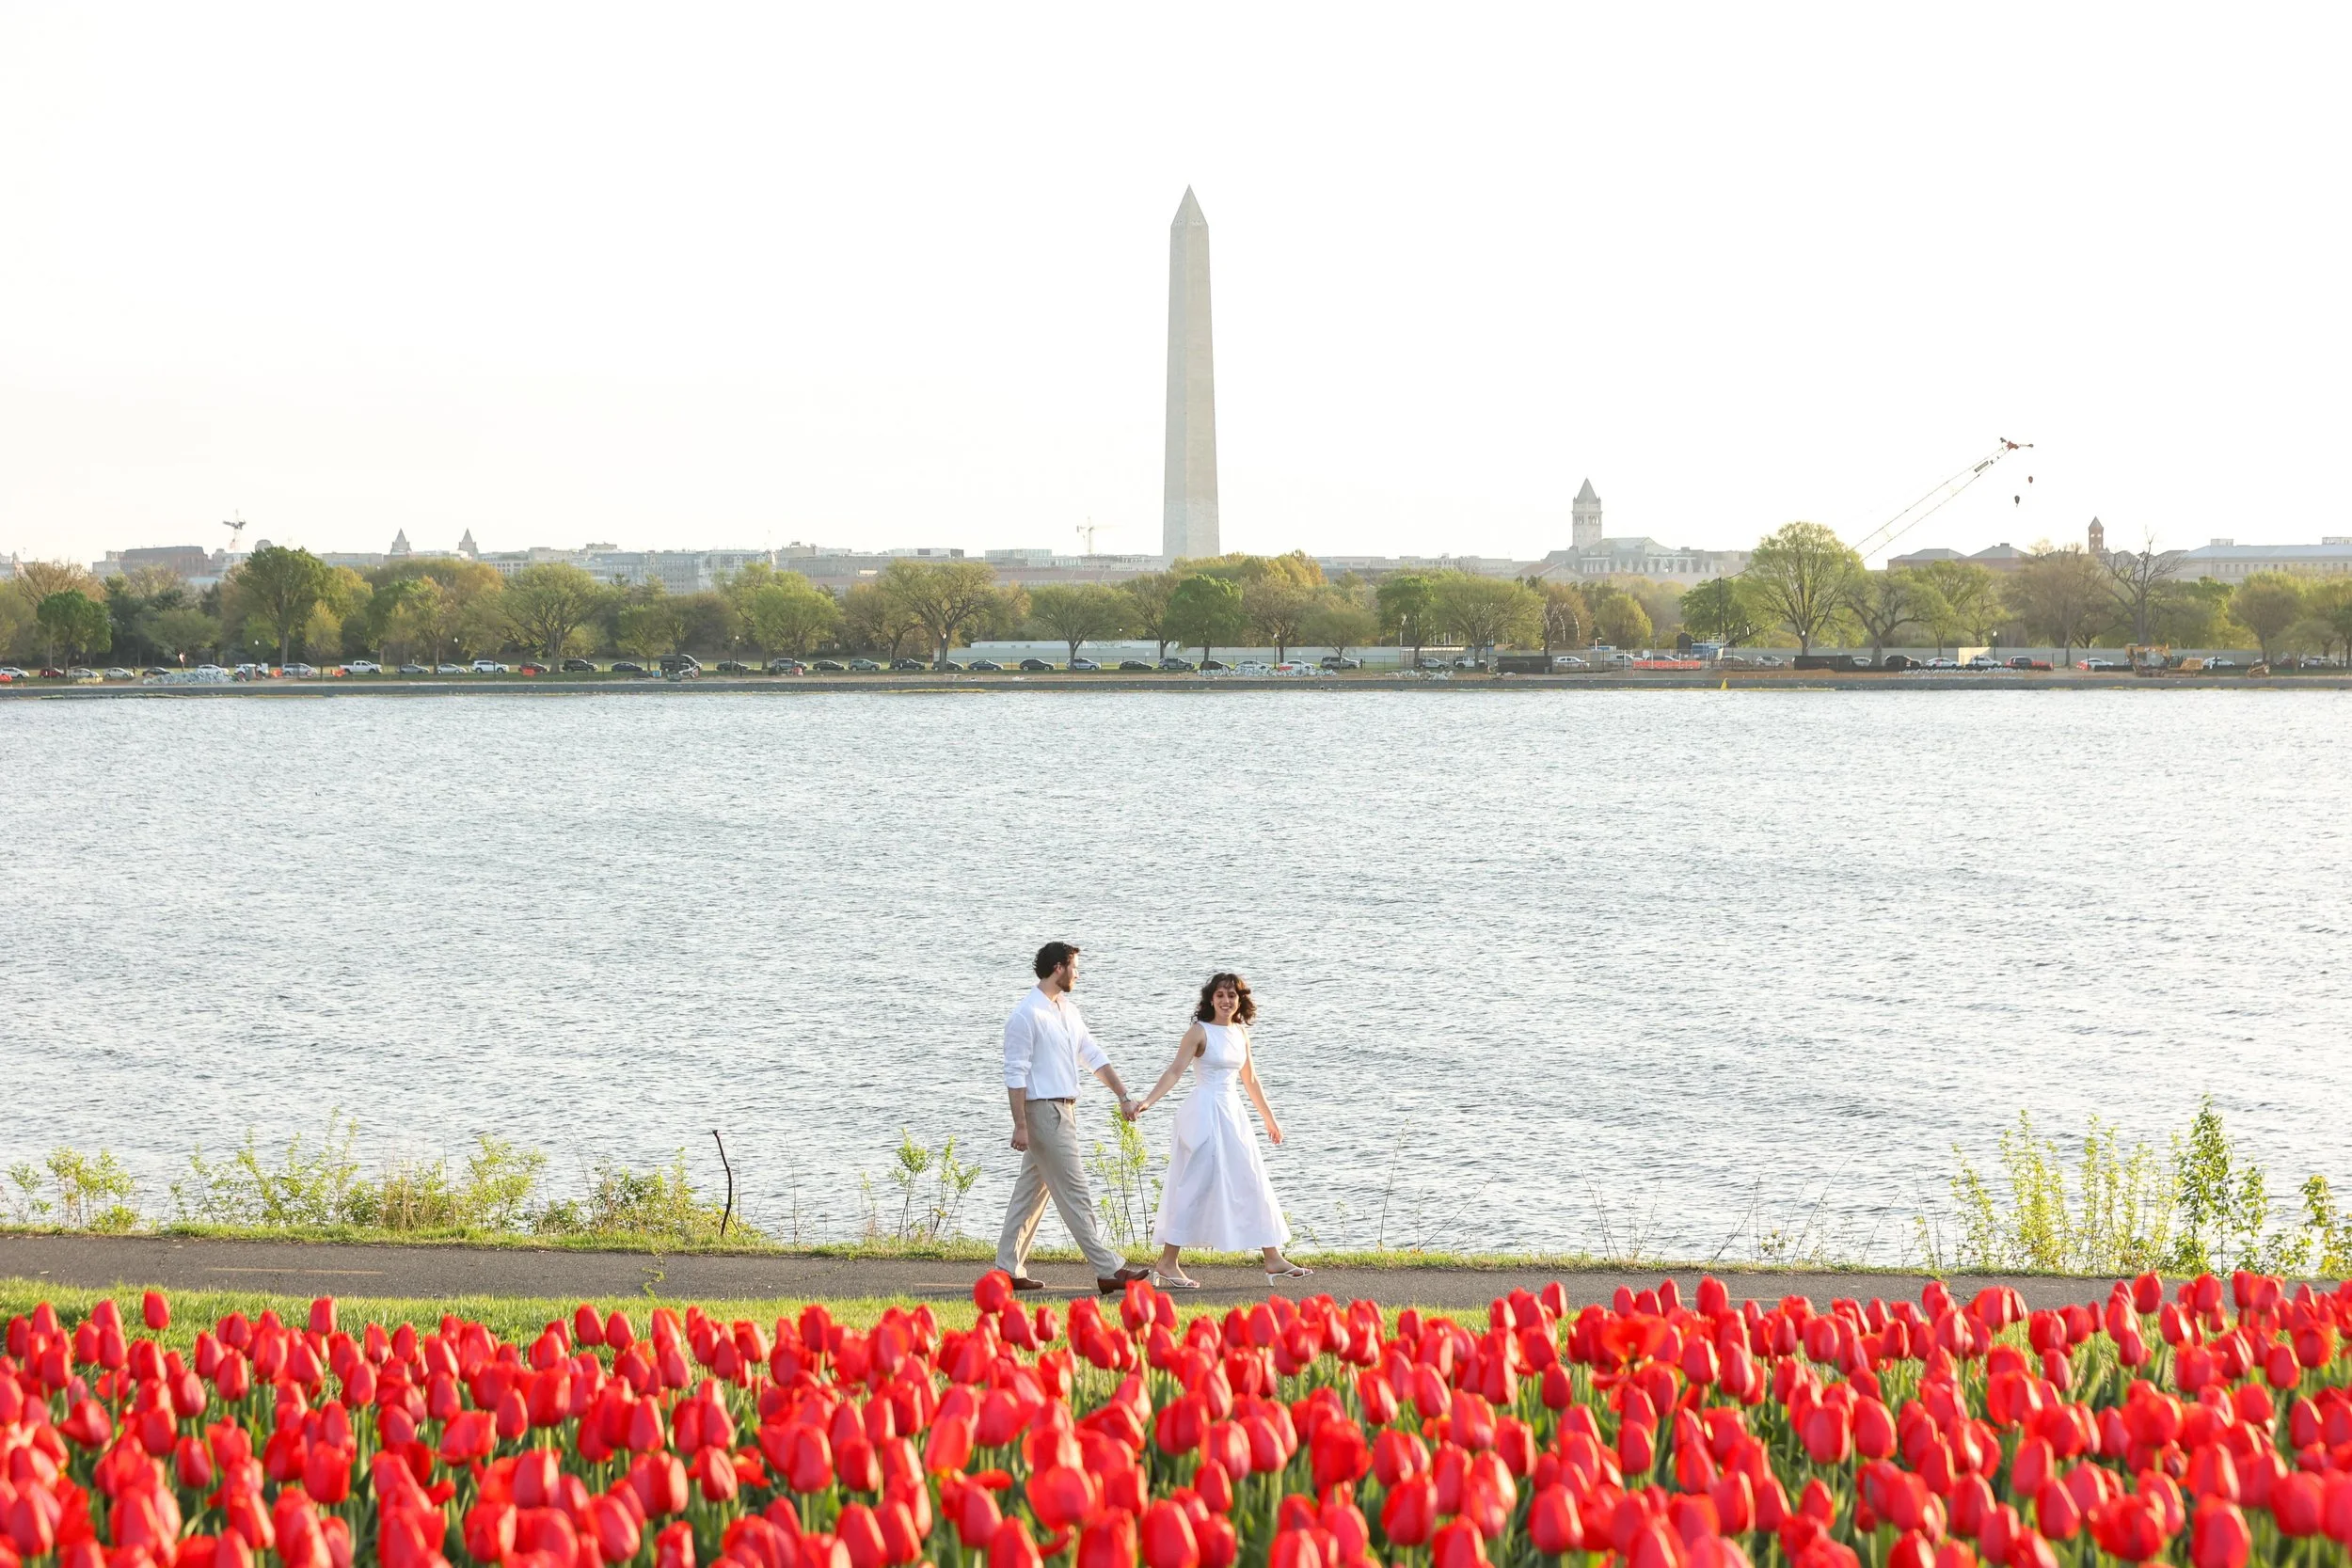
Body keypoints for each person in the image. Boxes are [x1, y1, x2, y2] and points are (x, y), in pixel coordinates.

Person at [1130, 970, 1311, 1287]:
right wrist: (1148, 1101)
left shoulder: (1241, 1034)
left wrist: (1269, 1118)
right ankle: (1168, 1263)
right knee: (1196, 1184)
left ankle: (1272, 1258)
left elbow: (1250, 1080)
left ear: (1240, 1001)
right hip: (1203, 1113)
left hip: (1233, 1115)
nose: (1226, 1001)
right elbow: (1174, 1071)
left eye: (1232, 996)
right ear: (1210, 1000)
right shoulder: (1199, 1033)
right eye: (1220, 995)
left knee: (1251, 1179)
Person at [994, 941, 1152, 1295]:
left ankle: (1007, 1269)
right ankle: (1109, 1268)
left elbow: (1092, 1054)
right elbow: (1015, 1074)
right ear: (1058, 969)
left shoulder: (1067, 1010)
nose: (1078, 974)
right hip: (1043, 1112)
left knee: (1031, 1193)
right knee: (1075, 1191)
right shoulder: (1026, 1015)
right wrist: (1020, 1123)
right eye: (1074, 967)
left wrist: (1123, 1095)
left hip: (1065, 1110)